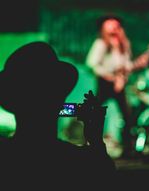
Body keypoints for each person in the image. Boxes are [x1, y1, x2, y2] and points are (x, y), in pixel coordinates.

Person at [0, 42, 116, 189]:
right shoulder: (79, 163)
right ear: (60, 99)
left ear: (11, 101)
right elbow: (104, 175)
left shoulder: (5, 157)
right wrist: (96, 142)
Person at [86, 15, 149, 156]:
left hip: (120, 82)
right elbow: (91, 63)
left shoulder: (124, 45)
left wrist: (138, 63)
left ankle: (128, 147)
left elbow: (126, 65)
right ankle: (92, 145)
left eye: (116, 26)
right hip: (106, 83)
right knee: (96, 113)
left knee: (127, 116)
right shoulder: (101, 44)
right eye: (110, 25)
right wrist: (110, 76)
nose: (114, 28)